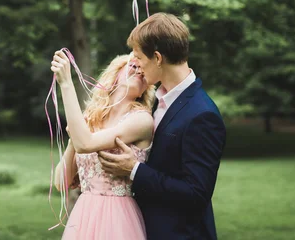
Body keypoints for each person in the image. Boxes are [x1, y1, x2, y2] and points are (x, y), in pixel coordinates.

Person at [97, 13, 227, 240]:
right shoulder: (156, 101)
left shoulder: (202, 115)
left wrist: (134, 170)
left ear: (157, 58)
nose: (134, 63)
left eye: (138, 56)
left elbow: (196, 194)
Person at [51, 52, 156, 240]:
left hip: (117, 217)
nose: (139, 71)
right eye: (133, 66)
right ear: (115, 75)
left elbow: (86, 144)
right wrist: (72, 141)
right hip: (84, 215)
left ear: (144, 91)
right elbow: (61, 183)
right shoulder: (90, 121)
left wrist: (66, 83)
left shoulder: (141, 120)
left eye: (143, 72)